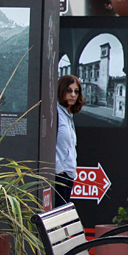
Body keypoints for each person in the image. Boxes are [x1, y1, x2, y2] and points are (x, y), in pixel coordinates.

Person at [54, 74, 83, 208]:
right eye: (69, 90)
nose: (73, 94)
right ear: (61, 91)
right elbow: (49, 143)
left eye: (76, 91)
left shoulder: (68, 116)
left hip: (69, 175)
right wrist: (58, 168)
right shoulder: (55, 113)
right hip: (58, 176)